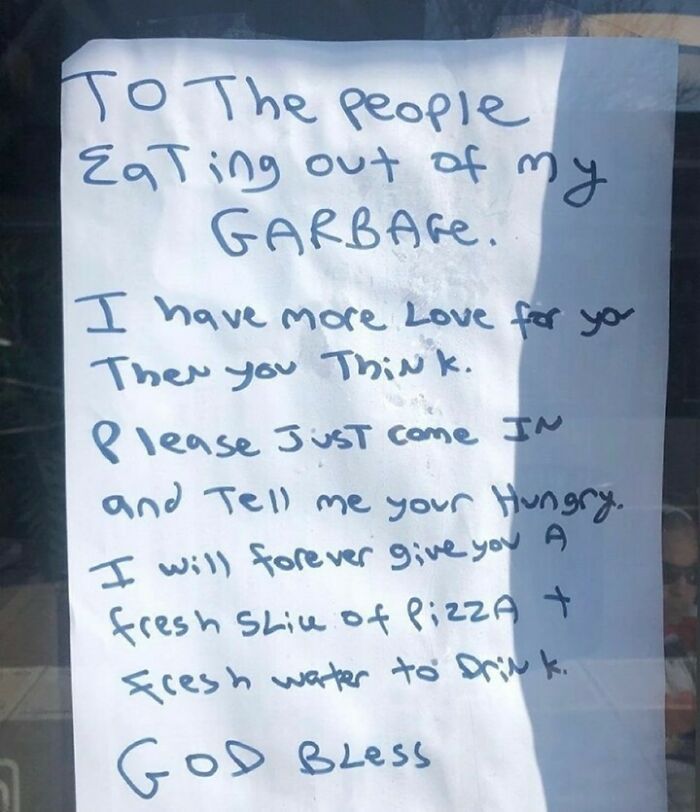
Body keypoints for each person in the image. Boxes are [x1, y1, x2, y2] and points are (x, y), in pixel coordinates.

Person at [662, 505, 698, 811]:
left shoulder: (691, 636)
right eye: (668, 574)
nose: (681, 587)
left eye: (692, 575)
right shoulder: (616, 647)